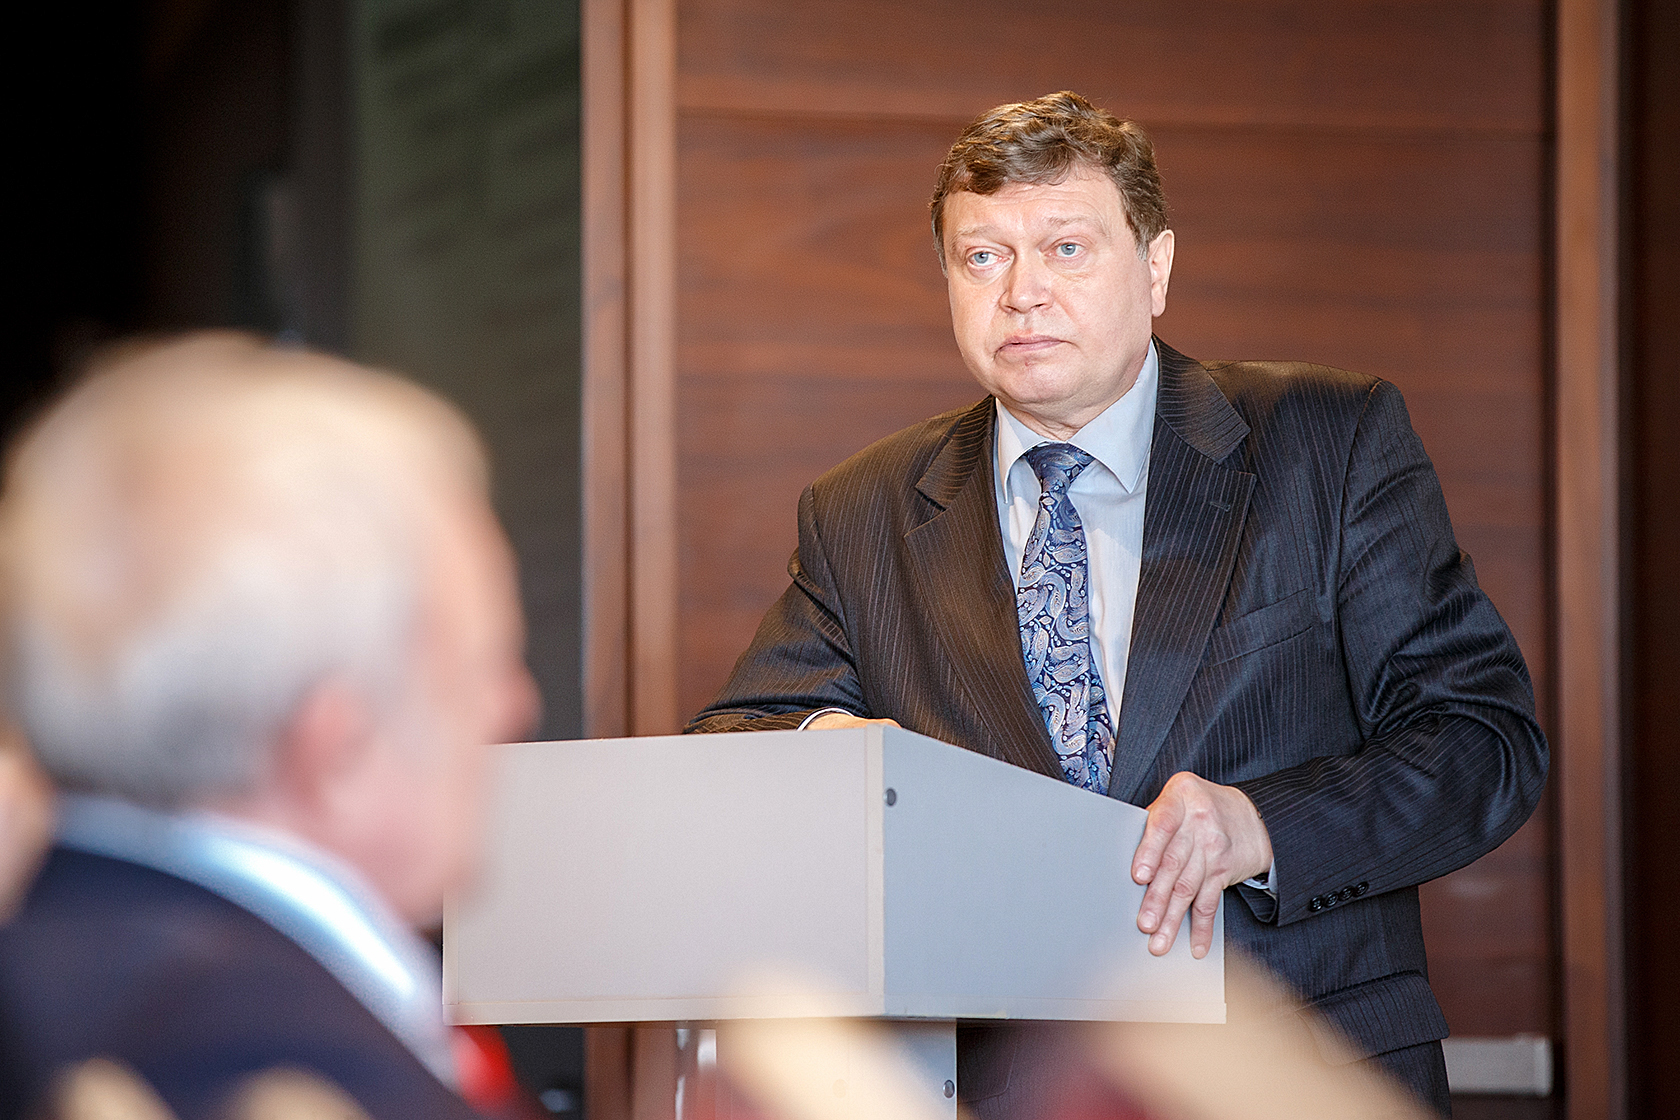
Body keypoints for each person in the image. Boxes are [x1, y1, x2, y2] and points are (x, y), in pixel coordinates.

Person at [687, 91, 1547, 1117]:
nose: (1023, 294)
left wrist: (1260, 825)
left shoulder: (1331, 440)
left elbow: (1484, 740)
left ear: (1156, 267)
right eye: (982, 257)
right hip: (1014, 1089)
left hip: (1298, 1069)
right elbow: (735, 742)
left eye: (1066, 248)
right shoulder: (863, 509)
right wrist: (835, 750)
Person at [0, 334, 540, 1120]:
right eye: (484, 670)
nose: (517, 706)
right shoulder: (283, 1072)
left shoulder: (47, 967)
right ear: (336, 753)